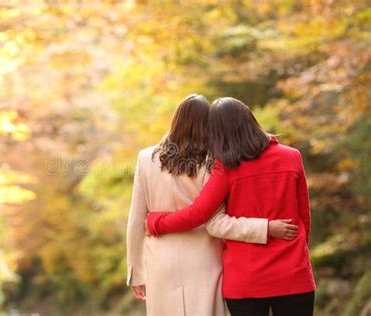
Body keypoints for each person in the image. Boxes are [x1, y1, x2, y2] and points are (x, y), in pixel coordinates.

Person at [127, 95, 299, 316]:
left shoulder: (146, 158)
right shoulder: (214, 161)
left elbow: (136, 220)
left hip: (160, 261)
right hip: (205, 259)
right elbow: (216, 218)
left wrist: (136, 272)